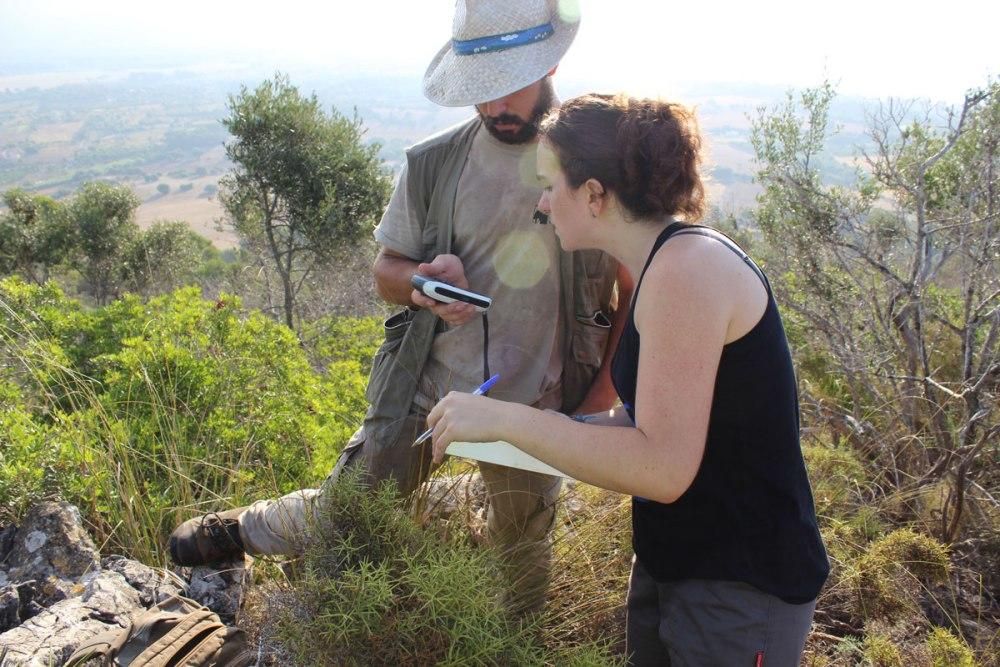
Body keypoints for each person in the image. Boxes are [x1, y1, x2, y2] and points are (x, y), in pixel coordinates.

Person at [168, 0, 628, 616]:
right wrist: (422, 282)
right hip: (429, 385)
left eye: (507, 87)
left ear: (547, 66)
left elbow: (635, 280)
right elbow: (386, 270)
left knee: (522, 571)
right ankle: (240, 531)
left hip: (539, 405)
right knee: (354, 509)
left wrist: (602, 387)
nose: (494, 107)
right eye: (479, 91)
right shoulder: (434, 163)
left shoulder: (596, 165)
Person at [426, 94, 830, 664]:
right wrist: (509, 434)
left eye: (550, 184)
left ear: (594, 195)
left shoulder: (687, 272)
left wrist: (508, 418)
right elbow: (650, 421)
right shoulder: (661, 266)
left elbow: (662, 467)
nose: (542, 203)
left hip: (740, 586)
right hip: (680, 564)